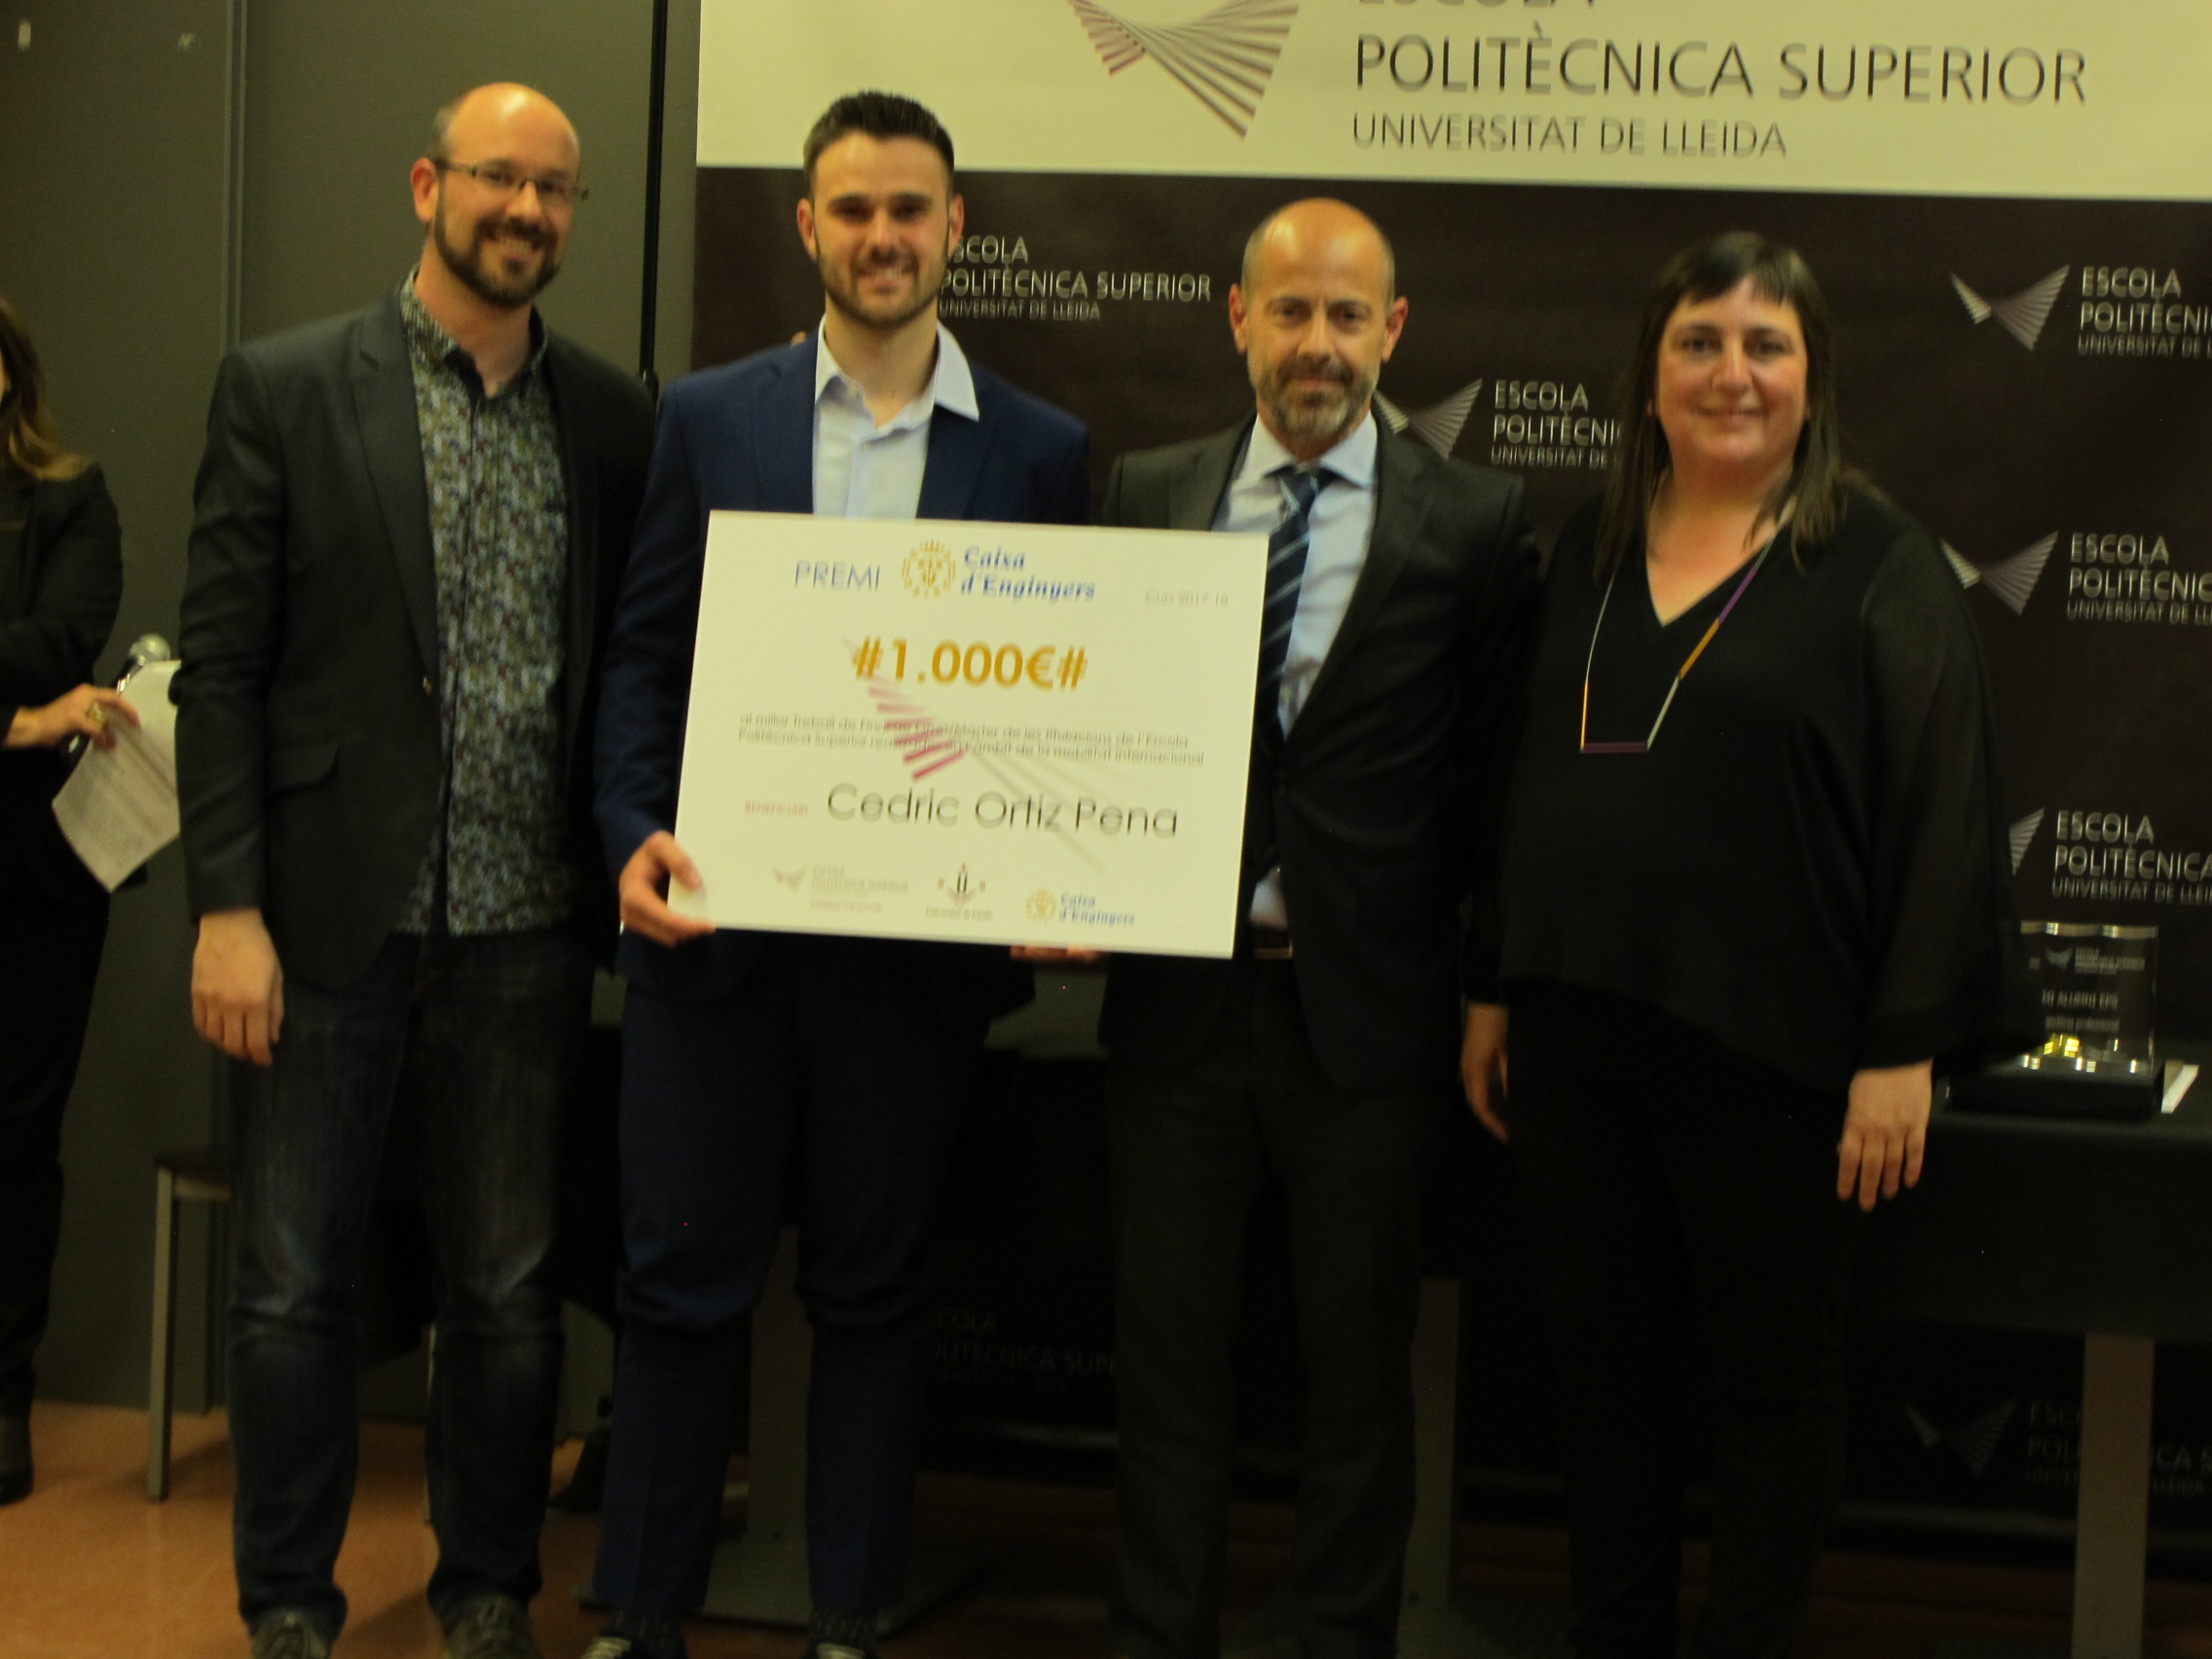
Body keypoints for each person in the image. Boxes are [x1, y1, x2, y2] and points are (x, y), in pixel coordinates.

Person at [1461, 232, 2035, 1659]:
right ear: (1649, 376)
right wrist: (1490, 984)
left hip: (1779, 1052)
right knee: (1600, 1379)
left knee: (1771, 1387)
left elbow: (1943, 815)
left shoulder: (1879, 565)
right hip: (1575, 1037)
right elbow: (1515, 779)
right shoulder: (1586, 549)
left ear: (1812, 379)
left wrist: (1905, 1048)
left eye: (1765, 345)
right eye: (1699, 343)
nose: (1732, 374)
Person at [583, 92, 1088, 1659]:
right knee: (677, 1294)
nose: (883, 236)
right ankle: (641, 1622)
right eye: (854, 209)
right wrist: (629, 831)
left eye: (910, 209)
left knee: (877, 1303)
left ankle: (851, 1622)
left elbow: (1054, 708)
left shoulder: (1042, 450)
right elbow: (642, 659)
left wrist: (1053, 873)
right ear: (807, 226)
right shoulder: (707, 419)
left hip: (908, 969)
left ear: (956, 229)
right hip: (714, 939)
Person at [174, 84, 654, 1659]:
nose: (526, 210)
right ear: (426, 184)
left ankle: (486, 1588)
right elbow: (222, 671)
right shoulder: (290, 387)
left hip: (527, 928)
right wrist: (226, 907)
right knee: (291, 1281)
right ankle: (288, 1603)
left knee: (507, 1290)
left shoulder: (612, 416)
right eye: (499, 177)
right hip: (322, 922)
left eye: (555, 189)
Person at [1091, 199, 1538, 1659]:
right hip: (1178, 1005)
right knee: (1167, 1360)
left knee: (1357, 1373)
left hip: (1369, 1016)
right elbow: (1092, 727)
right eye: (1289, 310)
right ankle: (1158, 1633)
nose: (1317, 344)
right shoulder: (1148, 494)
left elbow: (1498, 786)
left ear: (1392, 332)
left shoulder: (1472, 524)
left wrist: (1489, 988)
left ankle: (1337, 1636)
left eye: (1348, 316)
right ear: (1239, 318)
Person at [0, 293, 131, 1508]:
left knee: (15, 1140)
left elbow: (59, 642)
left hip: (31, 875)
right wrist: (18, 724)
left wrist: (45, 705)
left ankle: (3, 1396)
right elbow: (30, 677)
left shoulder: (69, 498)